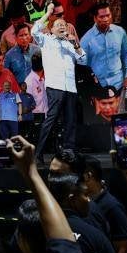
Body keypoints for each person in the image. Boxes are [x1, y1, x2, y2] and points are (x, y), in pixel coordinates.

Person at [31, 14, 88, 161]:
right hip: (55, 86)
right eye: (59, 24)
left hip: (70, 87)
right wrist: (48, 14)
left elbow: (83, 60)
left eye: (64, 24)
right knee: (51, 119)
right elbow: (34, 31)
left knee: (71, 120)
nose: (62, 26)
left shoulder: (70, 44)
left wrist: (75, 44)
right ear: (51, 29)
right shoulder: (46, 40)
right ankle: (38, 153)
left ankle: (69, 149)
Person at [80, 4, 127, 108]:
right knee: (103, 116)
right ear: (95, 18)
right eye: (102, 17)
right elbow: (81, 66)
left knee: (122, 115)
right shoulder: (86, 39)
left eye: (108, 15)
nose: (105, 19)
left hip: (120, 83)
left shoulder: (120, 31)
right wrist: (91, 85)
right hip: (99, 87)